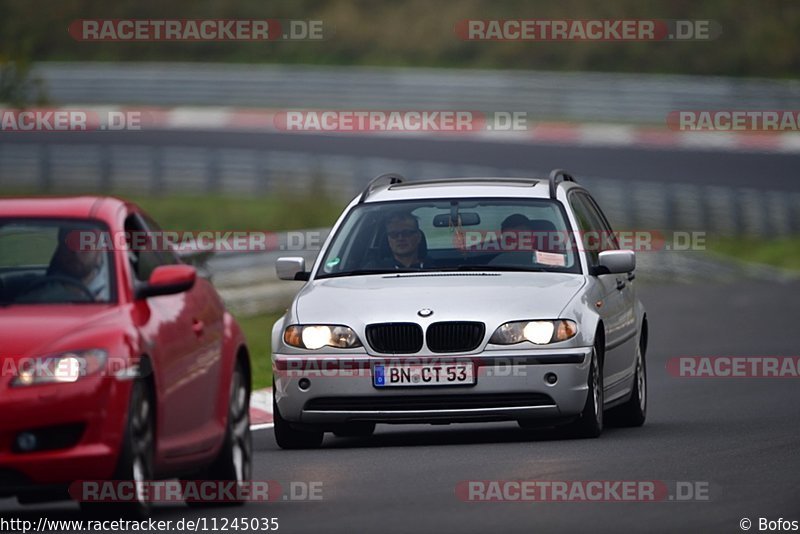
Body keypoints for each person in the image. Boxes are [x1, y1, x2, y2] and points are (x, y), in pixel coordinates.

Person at [44, 227, 110, 301]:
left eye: (85, 246)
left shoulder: (112, 292)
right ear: (60, 250)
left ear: (98, 253)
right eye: (70, 244)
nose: (76, 252)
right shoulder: (42, 291)